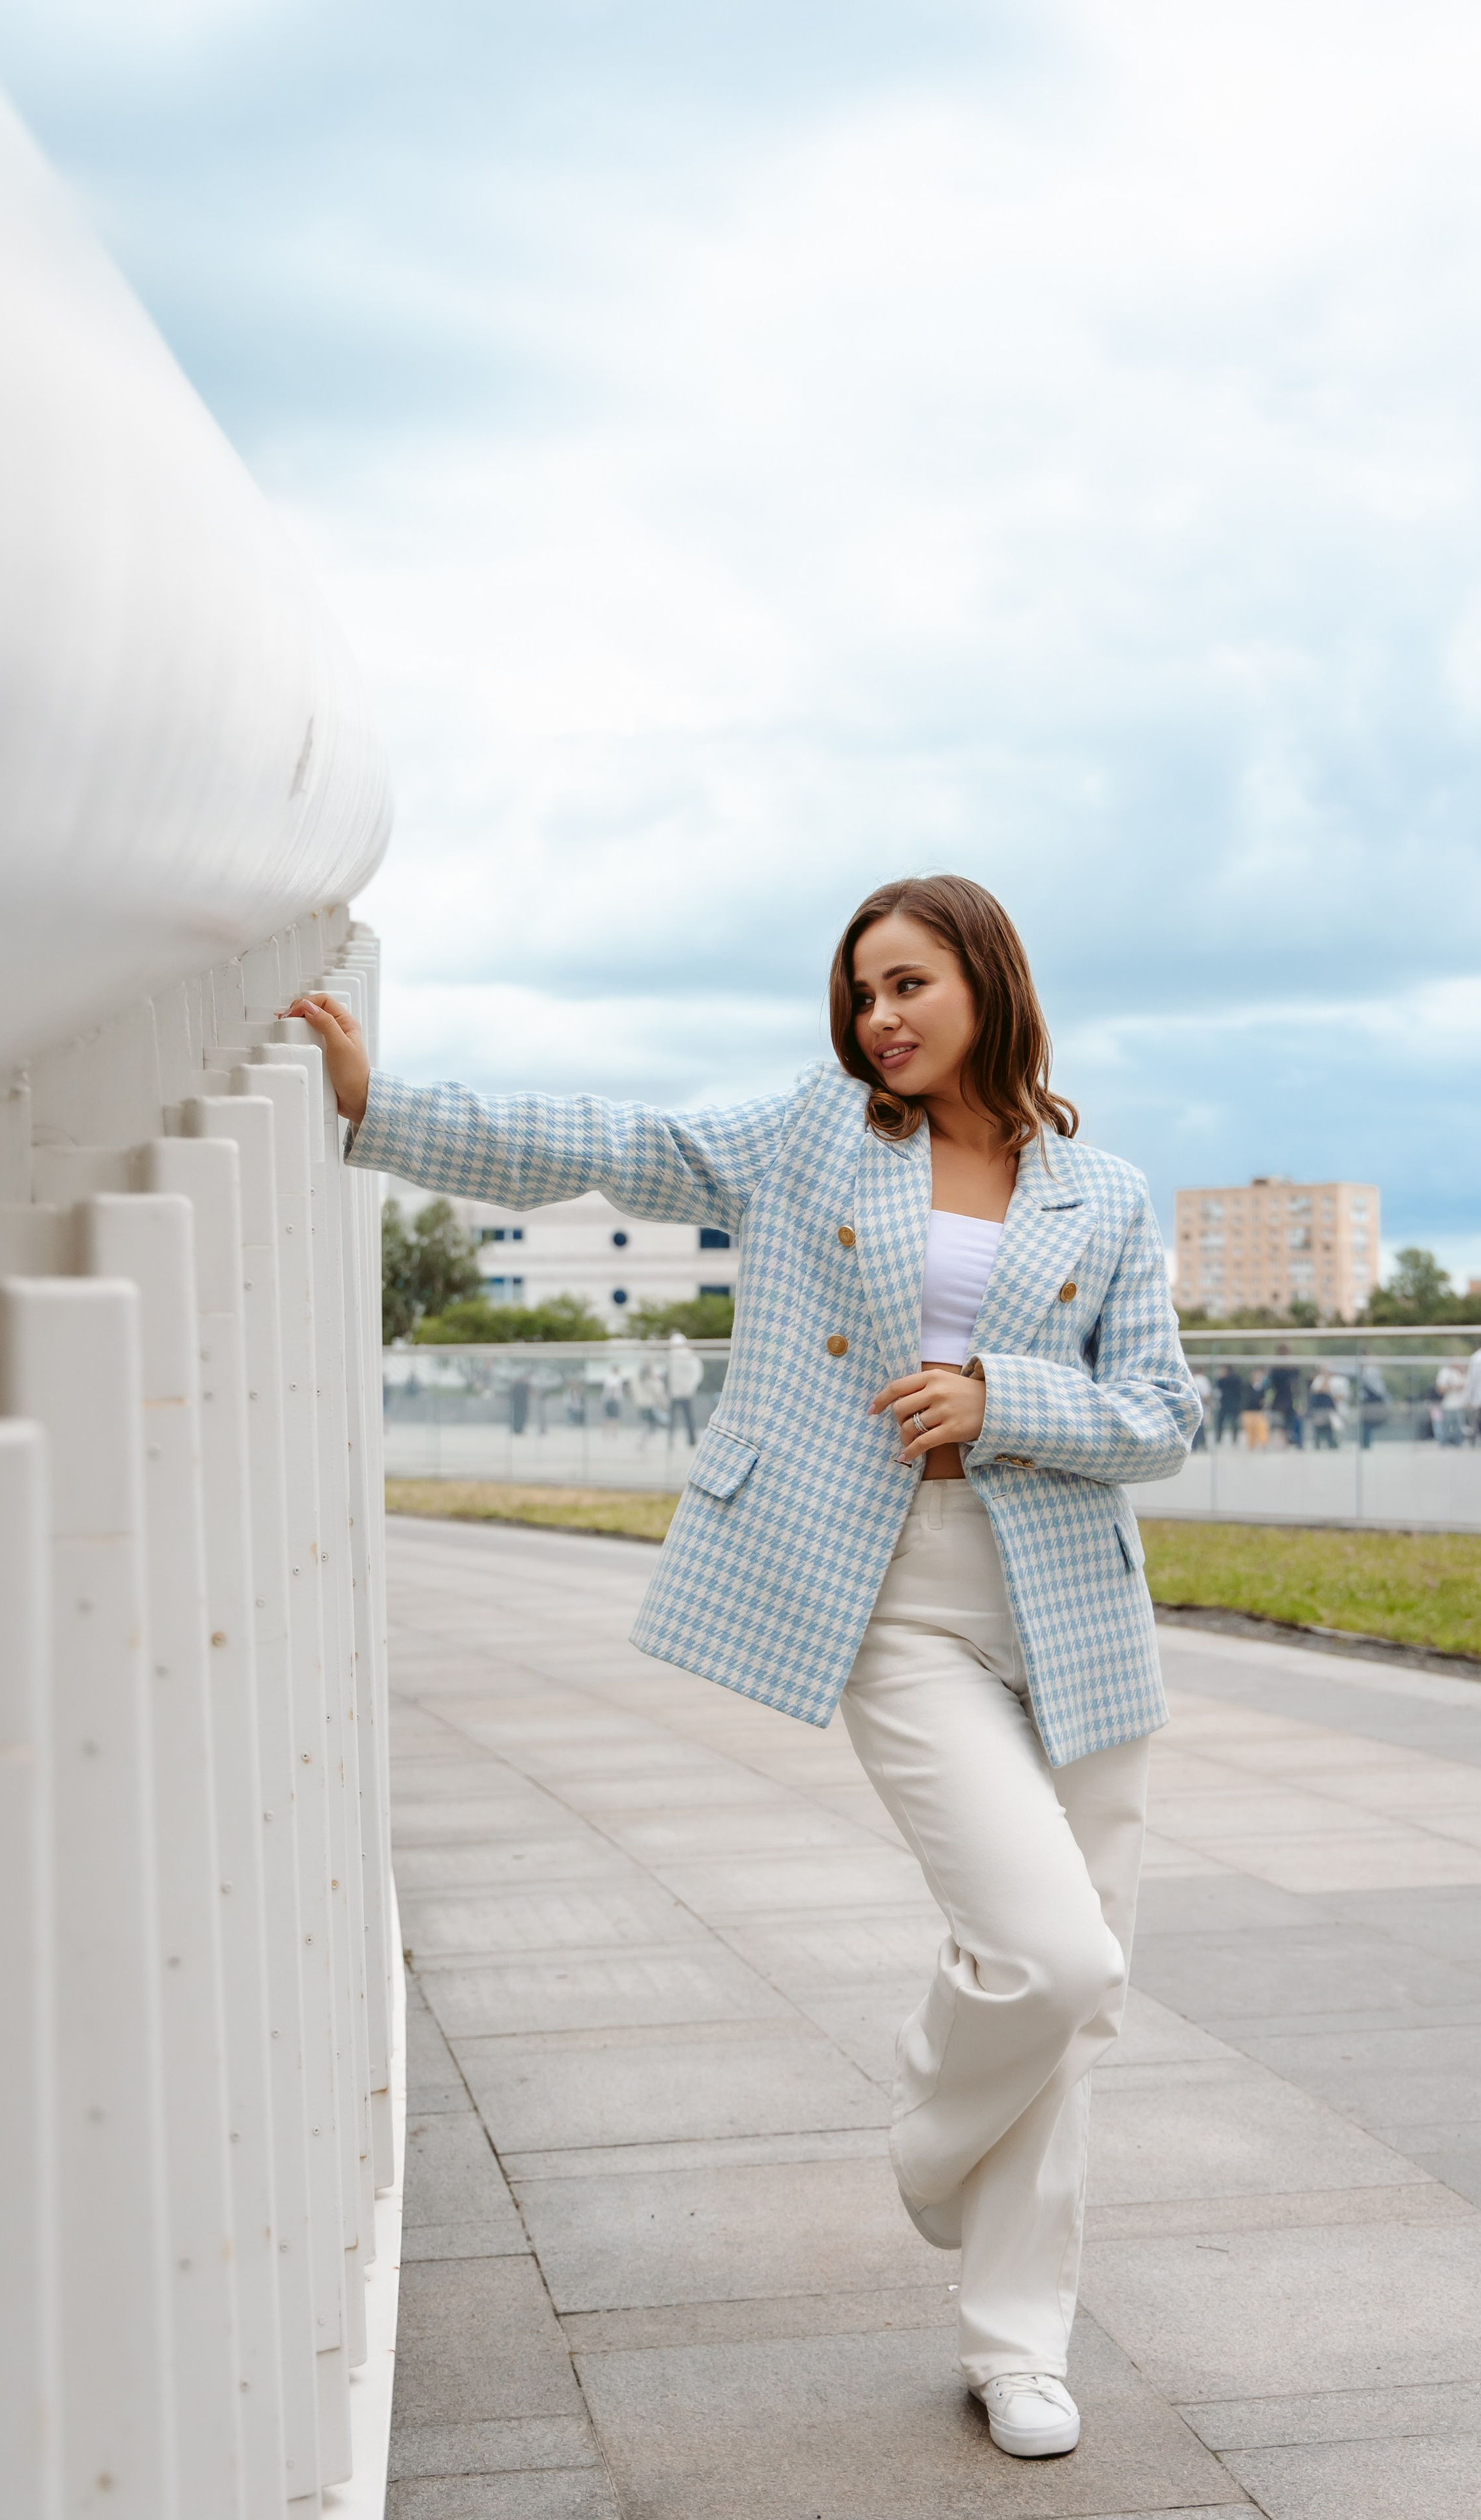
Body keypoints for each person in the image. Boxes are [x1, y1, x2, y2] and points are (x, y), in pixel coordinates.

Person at [288, 873, 1199, 2464]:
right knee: (1048, 1961)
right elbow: (620, 1146)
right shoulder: (813, 1138)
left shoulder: (1104, 1192)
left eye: (907, 984)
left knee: (1078, 2005)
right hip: (889, 1605)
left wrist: (1002, 1398)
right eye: (860, 995)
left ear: (985, 977)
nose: (880, 1019)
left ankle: (1014, 2342)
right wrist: (384, 1109)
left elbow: (1163, 1416)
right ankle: (932, 2128)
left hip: (1073, 1614)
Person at [665, 1330, 704, 1445]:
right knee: (674, 1418)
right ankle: (671, 1441)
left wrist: (690, 1387)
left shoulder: (689, 1356)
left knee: (686, 1417)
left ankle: (691, 1440)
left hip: (685, 1392)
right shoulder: (672, 1356)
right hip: (675, 1392)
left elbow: (696, 1373)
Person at [1266, 1345, 1303, 1448]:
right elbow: (1270, 1386)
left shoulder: (1292, 1369)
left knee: (1287, 1425)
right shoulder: (1275, 1369)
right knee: (1279, 1425)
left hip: (1287, 1400)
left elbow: (1296, 1387)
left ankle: (1284, 1444)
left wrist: (1299, 1403)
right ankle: (1279, 1444)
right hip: (1279, 1401)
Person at [630, 1353, 667, 1448]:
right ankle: (641, 1442)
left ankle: (643, 1441)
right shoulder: (647, 1380)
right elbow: (656, 1391)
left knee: (649, 1424)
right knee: (648, 1424)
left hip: (646, 1404)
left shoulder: (639, 1378)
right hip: (647, 1404)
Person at [1434, 1359, 1467, 1447]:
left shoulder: (1459, 1374)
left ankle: (1459, 1444)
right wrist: (1455, 1387)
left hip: (1459, 1405)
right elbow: (1441, 1389)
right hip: (1447, 1405)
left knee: (1459, 1428)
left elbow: (1463, 1387)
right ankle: (1444, 1444)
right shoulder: (1444, 1373)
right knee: (1446, 1427)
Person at [1306, 1368, 1340, 1448]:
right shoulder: (1316, 1396)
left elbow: (1333, 1405)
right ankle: (1317, 1446)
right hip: (1319, 1413)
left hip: (1327, 1414)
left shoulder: (1329, 1396)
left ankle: (1332, 1446)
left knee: (1328, 1432)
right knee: (1318, 1432)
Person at [1214, 1362, 1245, 1446]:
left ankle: (1219, 1438)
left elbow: (1218, 1386)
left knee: (1221, 1422)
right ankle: (1235, 1439)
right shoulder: (1238, 1379)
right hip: (1235, 1403)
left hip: (1225, 1403)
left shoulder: (1223, 1380)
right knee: (1234, 1422)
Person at [1241, 1370, 1270, 1450]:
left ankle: (1263, 1444)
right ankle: (1251, 1446)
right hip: (1248, 1411)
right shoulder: (1247, 1387)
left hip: (1258, 1411)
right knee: (1250, 1429)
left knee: (1262, 1428)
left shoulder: (1262, 1388)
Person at [600, 1360, 625, 1435]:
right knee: (613, 1418)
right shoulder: (615, 1378)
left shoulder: (609, 1378)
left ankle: (608, 1433)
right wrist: (614, 1397)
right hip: (613, 1400)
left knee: (609, 1418)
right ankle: (614, 1434)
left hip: (609, 1400)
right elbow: (613, 1388)